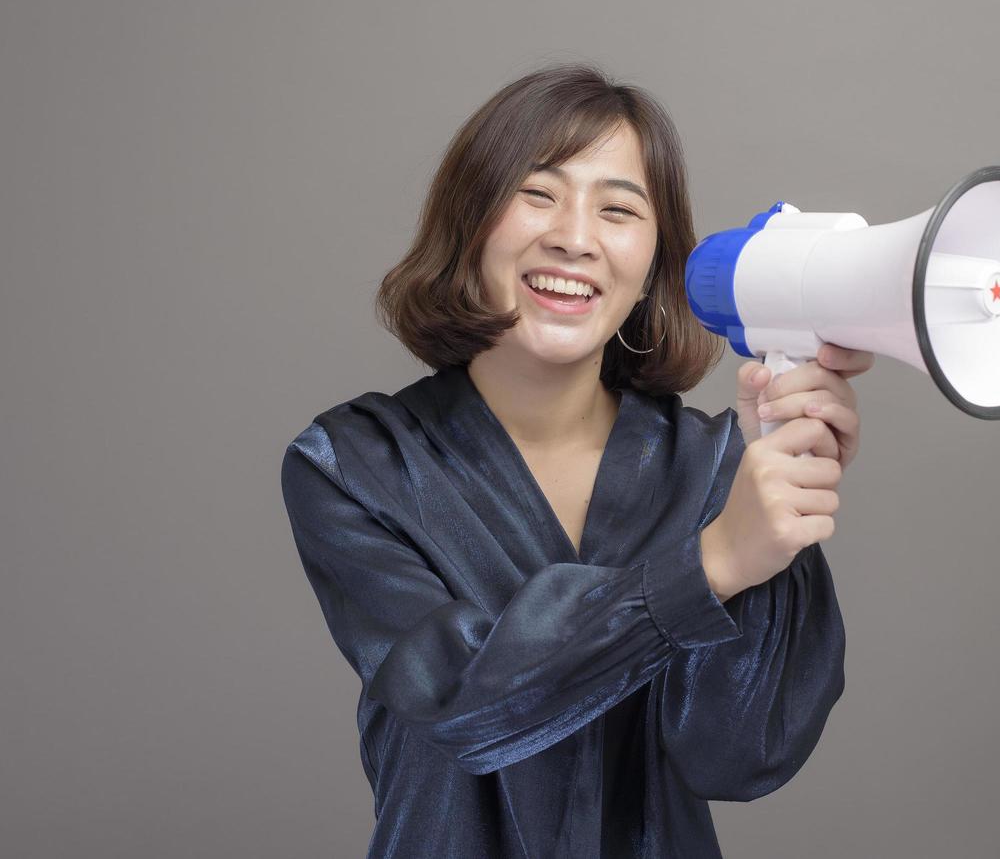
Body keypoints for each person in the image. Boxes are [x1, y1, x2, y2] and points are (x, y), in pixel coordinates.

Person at [279, 62, 870, 858]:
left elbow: (740, 755)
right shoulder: (355, 464)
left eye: (619, 210)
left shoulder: (712, 466)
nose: (575, 237)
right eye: (537, 193)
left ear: (654, 268)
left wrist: (776, 524)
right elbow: (456, 701)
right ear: (472, 221)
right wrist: (710, 565)